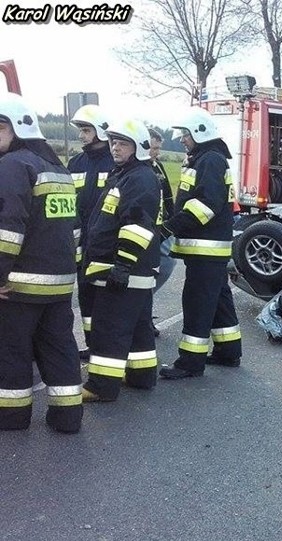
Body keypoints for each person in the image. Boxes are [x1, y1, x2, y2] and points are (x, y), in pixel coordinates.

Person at [0, 93, 83, 433]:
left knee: (12, 351)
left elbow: (7, 229)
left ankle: (12, 417)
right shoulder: (57, 169)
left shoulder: (12, 166)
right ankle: (67, 417)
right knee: (60, 348)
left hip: (19, 284)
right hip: (60, 283)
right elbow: (73, 230)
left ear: (12, 128)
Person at [81, 118, 160, 402]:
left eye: (122, 143)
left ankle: (101, 385)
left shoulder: (139, 178)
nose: (115, 147)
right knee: (138, 327)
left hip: (124, 268)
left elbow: (137, 225)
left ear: (137, 147)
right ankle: (141, 375)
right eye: (113, 141)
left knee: (109, 328)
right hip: (130, 269)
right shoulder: (129, 175)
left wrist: (122, 265)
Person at [159, 107, 242, 380]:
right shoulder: (206, 158)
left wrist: (170, 227)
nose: (182, 139)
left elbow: (206, 205)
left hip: (206, 249)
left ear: (199, 133)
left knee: (197, 303)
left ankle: (190, 363)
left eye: (185, 134)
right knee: (218, 300)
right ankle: (228, 352)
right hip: (210, 249)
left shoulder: (209, 161)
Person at [68, 104, 114, 357]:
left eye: (86, 130)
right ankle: (93, 344)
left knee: (105, 298)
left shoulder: (115, 162)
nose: (81, 135)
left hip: (106, 246)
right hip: (80, 245)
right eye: (81, 130)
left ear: (101, 131)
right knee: (85, 297)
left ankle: (108, 347)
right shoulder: (76, 163)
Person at [149, 129, 176, 337]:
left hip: (162, 228)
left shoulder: (158, 166)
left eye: (158, 148)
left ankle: (145, 309)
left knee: (166, 265)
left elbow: (167, 197)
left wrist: (172, 223)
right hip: (144, 228)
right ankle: (143, 315)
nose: (156, 153)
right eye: (153, 148)